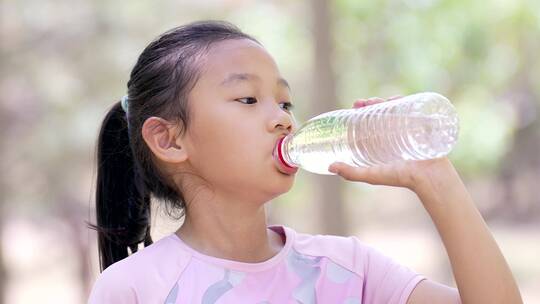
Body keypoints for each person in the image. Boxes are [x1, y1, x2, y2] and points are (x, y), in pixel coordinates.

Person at [87, 20, 522, 304]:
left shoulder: (346, 269)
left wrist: (438, 181)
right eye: (248, 99)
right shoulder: (136, 288)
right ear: (169, 139)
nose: (282, 119)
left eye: (285, 102)